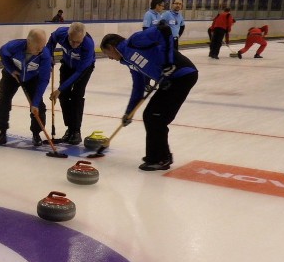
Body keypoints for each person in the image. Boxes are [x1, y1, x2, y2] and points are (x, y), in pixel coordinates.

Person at [100, 23, 198, 171]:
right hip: (172, 80)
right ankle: (160, 156)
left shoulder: (135, 41)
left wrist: (168, 63)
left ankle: (160, 158)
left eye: (107, 54)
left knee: (155, 116)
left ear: (112, 47)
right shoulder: (129, 62)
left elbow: (164, 30)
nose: (109, 58)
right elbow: (138, 87)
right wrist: (129, 112)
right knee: (152, 115)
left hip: (183, 74)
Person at [0, 29, 52, 148]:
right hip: (12, 75)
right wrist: (10, 69)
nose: (40, 50)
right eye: (38, 47)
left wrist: (35, 102)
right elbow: (2, 52)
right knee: (3, 101)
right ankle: (2, 132)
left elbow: (44, 80)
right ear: (29, 42)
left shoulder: (44, 55)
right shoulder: (14, 46)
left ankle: (36, 133)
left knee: (39, 106)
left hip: (32, 77)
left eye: (43, 46)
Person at [46, 22, 96, 145]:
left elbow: (79, 72)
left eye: (78, 42)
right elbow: (51, 41)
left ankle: (76, 131)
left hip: (83, 69)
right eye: (72, 41)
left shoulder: (88, 45)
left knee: (77, 96)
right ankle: (70, 129)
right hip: (67, 64)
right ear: (68, 34)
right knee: (63, 96)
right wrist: (49, 57)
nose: (74, 45)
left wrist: (60, 88)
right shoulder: (60, 33)